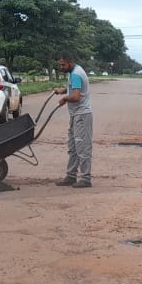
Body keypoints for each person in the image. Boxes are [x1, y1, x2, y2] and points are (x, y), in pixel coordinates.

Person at [53, 52, 93, 188]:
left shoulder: (76, 74)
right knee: (73, 147)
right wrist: (63, 90)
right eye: (60, 65)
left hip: (82, 115)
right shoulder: (73, 73)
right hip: (75, 114)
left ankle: (86, 178)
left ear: (70, 62)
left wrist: (65, 98)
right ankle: (71, 176)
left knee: (82, 147)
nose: (61, 67)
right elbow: (73, 89)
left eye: (63, 64)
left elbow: (76, 97)